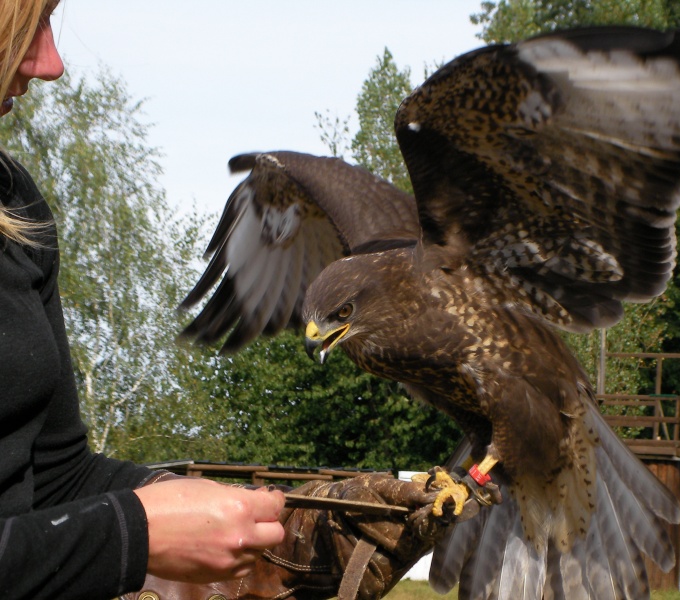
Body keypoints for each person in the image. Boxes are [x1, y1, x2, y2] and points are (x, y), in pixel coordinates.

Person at [0, 2, 453, 598]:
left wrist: (275, 526)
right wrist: (132, 536)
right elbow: (100, 530)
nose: (51, 62)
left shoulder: (14, 206)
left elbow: (57, 481)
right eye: (25, 22)